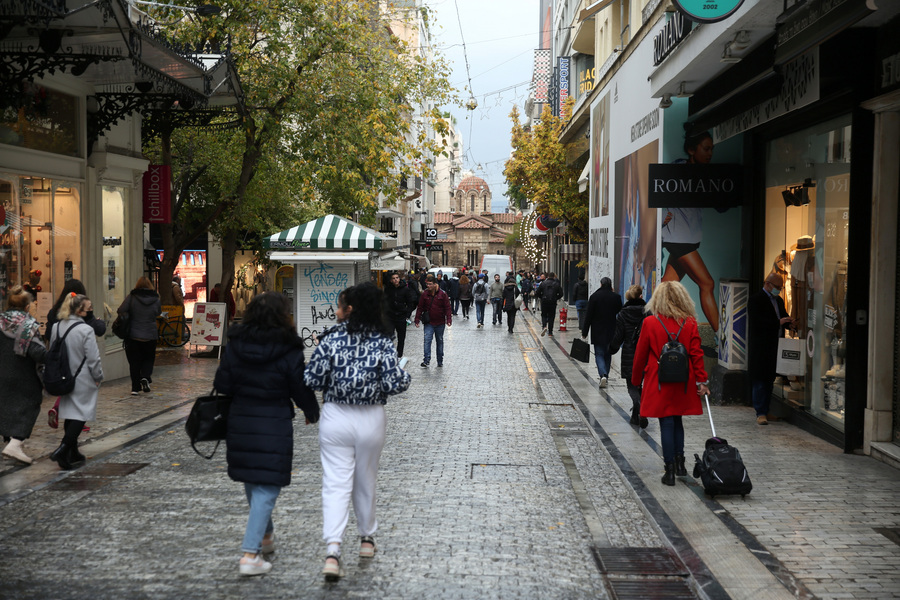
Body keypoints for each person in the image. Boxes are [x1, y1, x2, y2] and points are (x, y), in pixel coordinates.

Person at [304, 282, 411, 582]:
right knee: (365, 479)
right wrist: (405, 374)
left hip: (336, 415)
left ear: (350, 309)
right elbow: (394, 384)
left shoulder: (330, 338)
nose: (336, 311)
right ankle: (366, 539)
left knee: (335, 483)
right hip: (370, 419)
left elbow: (311, 377)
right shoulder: (382, 341)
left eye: (340, 306)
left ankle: (333, 550)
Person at [213, 292, 320, 577]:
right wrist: (311, 411)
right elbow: (299, 385)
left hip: (241, 419)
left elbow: (222, 383)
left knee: (253, 478)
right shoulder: (289, 346)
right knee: (267, 485)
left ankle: (266, 536)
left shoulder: (236, 343)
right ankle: (250, 554)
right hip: (273, 420)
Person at [631, 281, 709, 486]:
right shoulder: (690, 322)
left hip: (659, 379)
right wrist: (701, 380)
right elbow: (696, 354)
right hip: (683, 379)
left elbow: (640, 354)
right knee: (677, 421)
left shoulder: (650, 322)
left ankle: (670, 471)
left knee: (666, 422)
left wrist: (635, 379)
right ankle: (680, 463)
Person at [661, 131, 723, 333]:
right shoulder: (678, 169)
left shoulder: (703, 174)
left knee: (665, 287)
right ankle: (721, 338)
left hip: (687, 239)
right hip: (679, 239)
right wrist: (663, 218)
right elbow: (655, 190)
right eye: (706, 149)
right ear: (691, 150)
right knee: (707, 283)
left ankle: (650, 325)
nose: (710, 153)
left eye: (712, 149)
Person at [48, 293, 104, 470]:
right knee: (81, 415)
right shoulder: (86, 330)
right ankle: (63, 450)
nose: (90, 312)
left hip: (64, 376)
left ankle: (73, 451)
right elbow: (93, 359)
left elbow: (53, 352)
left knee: (71, 413)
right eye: (89, 309)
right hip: (83, 378)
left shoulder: (57, 327)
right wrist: (98, 377)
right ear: (80, 311)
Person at [45, 279, 107, 432]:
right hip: (79, 364)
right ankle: (66, 446)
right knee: (80, 406)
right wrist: (98, 376)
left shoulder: (55, 314)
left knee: (69, 394)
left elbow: (49, 336)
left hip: (61, 362)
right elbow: (94, 351)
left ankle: (69, 448)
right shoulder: (83, 321)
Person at [0, 286, 47, 464]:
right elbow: (37, 352)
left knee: (5, 404)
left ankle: (10, 441)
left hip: (2, 372)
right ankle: (15, 443)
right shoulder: (28, 325)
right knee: (30, 405)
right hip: (24, 375)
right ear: (27, 306)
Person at [747, 272, 793, 425]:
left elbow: (782, 317)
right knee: (759, 380)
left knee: (769, 379)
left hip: (775, 345)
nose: (778, 290)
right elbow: (758, 322)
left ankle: (766, 410)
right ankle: (760, 412)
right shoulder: (755, 300)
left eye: (780, 287)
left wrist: (789, 323)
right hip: (761, 347)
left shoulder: (778, 300)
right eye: (777, 287)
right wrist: (778, 323)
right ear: (767, 284)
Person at [610, 284, 648, 427]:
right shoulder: (647, 312)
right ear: (641, 296)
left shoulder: (623, 314)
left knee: (632, 385)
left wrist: (612, 348)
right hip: (645, 353)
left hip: (629, 352)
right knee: (641, 383)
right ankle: (638, 413)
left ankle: (638, 405)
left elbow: (618, 336)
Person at [118, 276, 162, 395]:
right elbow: (158, 312)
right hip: (150, 334)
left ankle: (135, 388)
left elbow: (121, 309)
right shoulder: (156, 298)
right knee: (148, 358)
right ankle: (146, 377)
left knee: (134, 362)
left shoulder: (132, 297)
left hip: (133, 334)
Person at [581, 277, 622, 388]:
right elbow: (619, 310)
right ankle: (606, 376)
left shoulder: (594, 297)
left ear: (601, 284)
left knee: (599, 354)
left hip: (598, 330)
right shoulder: (616, 297)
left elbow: (588, 316)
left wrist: (584, 331)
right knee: (608, 354)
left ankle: (603, 374)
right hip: (611, 329)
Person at [414, 274, 452, 367]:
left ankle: (440, 360)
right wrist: (417, 319)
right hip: (429, 322)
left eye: (430, 284)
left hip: (440, 322)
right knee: (427, 340)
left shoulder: (442, 294)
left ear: (435, 284)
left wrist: (449, 319)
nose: (428, 286)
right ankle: (426, 360)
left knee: (439, 341)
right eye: (427, 284)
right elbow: (420, 307)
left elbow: (447, 307)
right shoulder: (425, 294)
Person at [384, 271, 418, 358]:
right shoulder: (388, 289)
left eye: (397, 278)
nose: (395, 280)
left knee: (401, 337)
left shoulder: (405, 289)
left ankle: (399, 355)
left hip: (401, 316)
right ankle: (390, 353)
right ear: (391, 280)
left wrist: (407, 314)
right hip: (390, 316)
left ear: (399, 279)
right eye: (393, 278)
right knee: (389, 335)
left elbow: (410, 302)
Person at [536, 272, 563, 337]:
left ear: (547, 276)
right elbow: (561, 294)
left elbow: (537, 292)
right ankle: (550, 332)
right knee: (551, 316)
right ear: (554, 277)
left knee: (544, 314)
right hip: (553, 302)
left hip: (544, 301)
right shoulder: (556, 284)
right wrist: (556, 298)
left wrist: (541, 297)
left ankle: (544, 326)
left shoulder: (543, 283)